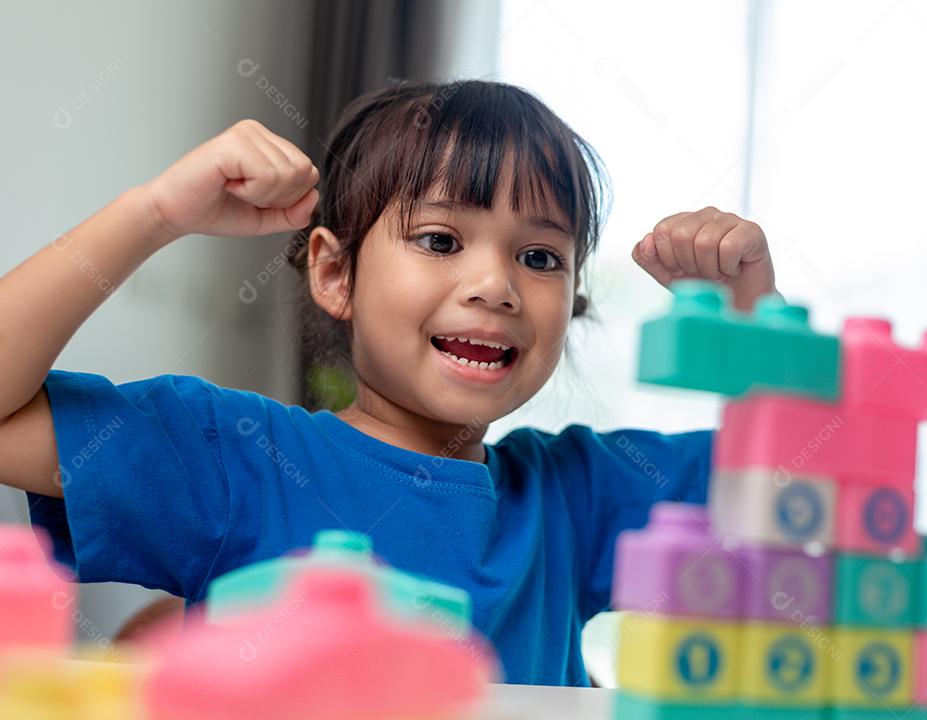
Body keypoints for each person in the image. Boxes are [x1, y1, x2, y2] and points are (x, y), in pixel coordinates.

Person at [0, 80, 776, 686]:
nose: (495, 284)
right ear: (335, 275)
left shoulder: (576, 496)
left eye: (540, 257)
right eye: (441, 239)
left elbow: (799, 494)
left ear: (572, 303)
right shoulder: (232, 459)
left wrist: (758, 329)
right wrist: (154, 212)